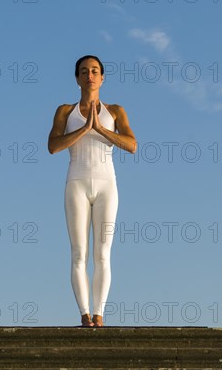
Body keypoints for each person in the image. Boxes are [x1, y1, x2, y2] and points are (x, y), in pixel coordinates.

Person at [48, 55, 137, 327]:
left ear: (102, 77)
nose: (90, 75)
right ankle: (85, 316)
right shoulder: (65, 111)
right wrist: (85, 129)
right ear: (77, 78)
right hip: (76, 182)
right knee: (78, 253)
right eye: (84, 71)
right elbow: (53, 145)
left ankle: (99, 314)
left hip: (106, 185)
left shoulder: (115, 111)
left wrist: (99, 128)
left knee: (102, 253)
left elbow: (131, 144)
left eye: (95, 71)